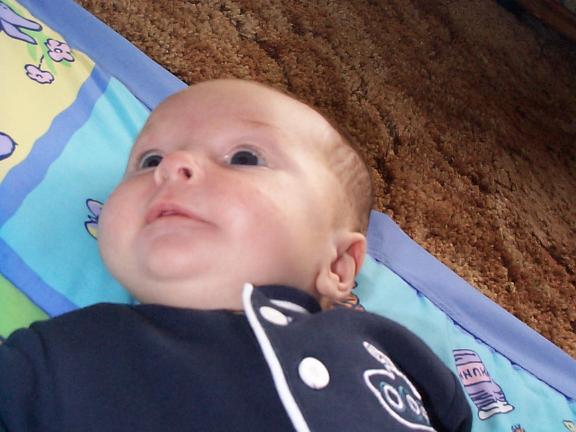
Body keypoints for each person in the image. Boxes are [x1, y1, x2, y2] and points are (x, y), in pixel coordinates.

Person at [0, 79, 471, 431]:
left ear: (337, 265)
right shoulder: (64, 353)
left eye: (244, 157)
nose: (173, 166)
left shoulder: (387, 347)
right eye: (148, 160)